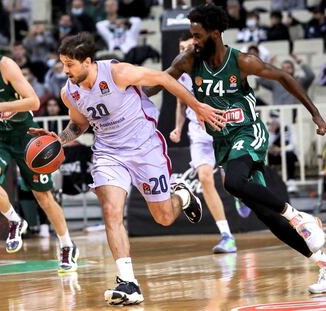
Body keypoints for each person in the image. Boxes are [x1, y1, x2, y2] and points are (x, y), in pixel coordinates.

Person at [28, 32, 225, 305]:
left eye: (69, 64)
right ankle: (128, 281)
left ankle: (182, 195)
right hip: (109, 153)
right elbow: (79, 125)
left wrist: (197, 107)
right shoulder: (69, 92)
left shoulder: (118, 72)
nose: (65, 70)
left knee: (164, 217)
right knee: (111, 211)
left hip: (144, 147)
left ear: (87, 62)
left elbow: (165, 79)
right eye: (62, 63)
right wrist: (57, 140)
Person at [144, 4, 326, 294]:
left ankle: (297, 215)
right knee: (266, 215)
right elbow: (160, 83)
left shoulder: (241, 61)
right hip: (224, 142)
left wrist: (315, 114)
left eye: (198, 35)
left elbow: (283, 77)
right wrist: (130, 86)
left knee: (233, 182)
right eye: (192, 35)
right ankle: (323, 263)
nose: (194, 41)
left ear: (215, 33)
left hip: (248, 132)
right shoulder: (189, 60)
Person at [0, 24, 78, 273]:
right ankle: (15, 220)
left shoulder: (5, 66)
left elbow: (33, 101)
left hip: (24, 135)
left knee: (43, 197)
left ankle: (67, 245)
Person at [170, 36, 237, 253]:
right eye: (180, 47)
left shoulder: (214, 66)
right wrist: (178, 127)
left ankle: (241, 197)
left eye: (187, 47)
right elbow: (180, 104)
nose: (184, 51)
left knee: (232, 183)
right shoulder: (179, 74)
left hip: (221, 127)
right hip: (197, 132)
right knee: (205, 178)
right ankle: (226, 235)